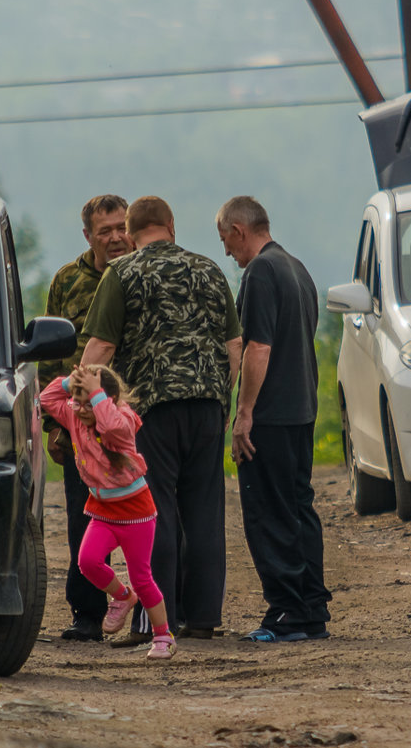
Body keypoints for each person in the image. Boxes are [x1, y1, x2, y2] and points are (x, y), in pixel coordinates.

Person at [81, 195, 242, 647]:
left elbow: (100, 348)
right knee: (205, 512)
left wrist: (79, 402)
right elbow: (235, 345)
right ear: (171, 225)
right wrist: (221, 399)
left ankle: (157, 620)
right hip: (207, 406)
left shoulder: (123, 273)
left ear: (130, 234)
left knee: (155, 514)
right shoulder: (210, 269)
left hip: (152, 411)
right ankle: (204, 617)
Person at [215, 194, 332, 643]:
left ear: (239, 231)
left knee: (268, 513)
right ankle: (312, 609)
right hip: (301, 410)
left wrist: (243, 414)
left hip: (272, 416)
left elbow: (257, 348)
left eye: (225, 238)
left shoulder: (261, 272)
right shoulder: (296, 268)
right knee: (299, 509)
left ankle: (286, 612)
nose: (226, 250)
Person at [38, 194, 133, 642]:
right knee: (84, 518)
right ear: (88, 236)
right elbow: (51, 357)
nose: (116, 238)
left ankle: (145, 612)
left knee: (140, 519)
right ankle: (88, 614)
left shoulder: (143, 273)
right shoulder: (68, 281)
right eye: (105, 231)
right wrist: (53, 425)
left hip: (129, 422)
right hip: (79, 425)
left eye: (122, 227)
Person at [39, 363, 176, 660]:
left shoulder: (121, 419)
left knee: (143, 577)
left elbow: (113, 426)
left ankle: (163, 636)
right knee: (87, 561)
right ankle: (123, 596)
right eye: (78, 402)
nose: (81, 409)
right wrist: (70, 383)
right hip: (102, 508)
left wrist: (96, 393)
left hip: (135, 510)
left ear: (108, 400)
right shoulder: (75, 418)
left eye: (90, 403)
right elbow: (47, 400)